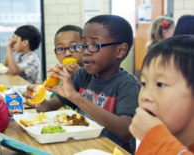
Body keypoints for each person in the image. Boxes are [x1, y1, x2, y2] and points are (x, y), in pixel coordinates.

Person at [23, 15, 140, 154]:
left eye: (94, 45)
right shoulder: (81, 76)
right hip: (82, 148)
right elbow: (49, 107)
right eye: (83, 45)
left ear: (120, 50)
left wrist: (75, 96)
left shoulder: (127, 84)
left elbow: (126, 132)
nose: (85, 51)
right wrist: (38, 99)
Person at [129, 35, 194, 155]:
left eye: (160, 84)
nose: (144, 95)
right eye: (143, 83)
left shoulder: (158, 143)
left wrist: (154, 138)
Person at [50, 25, 84, 100]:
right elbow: (50, 105)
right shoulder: (59, 77)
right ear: (56, 54)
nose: (67, 53)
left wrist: (80, 78)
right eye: (61, 49)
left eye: (73, 47)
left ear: (84, 48)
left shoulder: (91, 77)